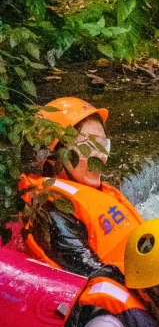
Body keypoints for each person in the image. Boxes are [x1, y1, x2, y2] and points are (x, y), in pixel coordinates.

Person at [19, 98, 142, 282]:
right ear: (53, 156)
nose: (99, 156)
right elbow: (94, 275)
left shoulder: (95, 195)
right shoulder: (52, 214)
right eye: (86, 147)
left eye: (102, 144)